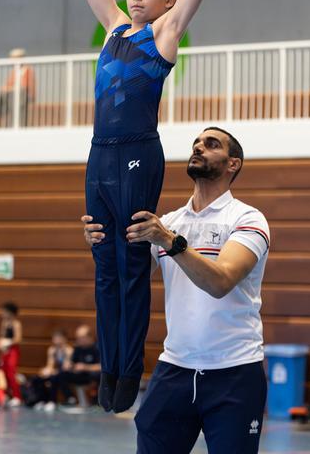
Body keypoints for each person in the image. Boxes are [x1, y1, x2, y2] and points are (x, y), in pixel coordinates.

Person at [78, 0, 214, 413]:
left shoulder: (166, 32)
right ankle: (108, 370)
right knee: (103, 265)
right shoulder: (114, 28)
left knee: (132, 263)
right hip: (98, 153)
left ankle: (129, 372)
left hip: (137, 152)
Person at [84, 127, 270, 454]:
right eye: (196, 143)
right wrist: (99, 242)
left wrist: (169, 241)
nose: (198, 147)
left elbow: (221, 280)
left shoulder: (247, 219)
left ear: (233, 164)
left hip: (235, 373)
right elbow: (127, 276)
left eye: (211, 145)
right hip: (175, 370)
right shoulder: (169, 221)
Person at [48, 324, 100, 410]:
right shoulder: (77, 348)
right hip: (80, 375)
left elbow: (102, 367)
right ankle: (69, 398)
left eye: (80, 337)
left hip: (92, 375)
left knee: (100, 375)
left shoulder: (98, 348)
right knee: (59, 375)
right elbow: (72, 362)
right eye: (77, 337)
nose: (78, 340)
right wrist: (69, 365)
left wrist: (85, 367)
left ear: (88, 337)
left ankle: (97, 400)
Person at [29, 329, 73, 411]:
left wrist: (54, 371)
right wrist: (47, 371)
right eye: (54, 338)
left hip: (66, 374)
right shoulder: (52, 350)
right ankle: (42, 400)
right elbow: (50, 364)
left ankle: (52, 401)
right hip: (56, 372)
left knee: (54, 378)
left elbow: (66, 366)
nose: (56, 340)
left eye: (58, 338)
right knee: (37, 378)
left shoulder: (68, 350)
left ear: (64, 339)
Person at [0, 48, 35, 124]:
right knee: (5, 96)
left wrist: (10, 88)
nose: (12, 60)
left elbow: (25, 86)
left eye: (14, 57)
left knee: (16, 97)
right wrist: (6, 88)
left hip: (24, 95)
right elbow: (9, 83)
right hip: (13, 96)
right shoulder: (15, 71)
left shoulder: (27, 70)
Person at [0, 301, 22, 407]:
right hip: (5, 350)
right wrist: (0, 343)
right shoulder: (4, 323)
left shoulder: (16, 324)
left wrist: (8, 342)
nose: (2, 313)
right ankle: (6, 395)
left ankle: (17, 396)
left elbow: (18, 339)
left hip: (13, 350)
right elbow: (2, 336)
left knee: (11, 372)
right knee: (3, 372)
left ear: (10, 313)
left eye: (4, 312)